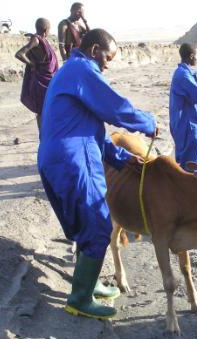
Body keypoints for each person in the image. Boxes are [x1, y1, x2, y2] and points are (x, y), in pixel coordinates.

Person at [38, 29, 157, 319]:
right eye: (107, 57)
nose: (107, 64)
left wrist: (120, 158)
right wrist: (147, 122)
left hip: (59, 156)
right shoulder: (82, 70)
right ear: (93, 50)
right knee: (98, 224)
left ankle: (88, 285)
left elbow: (93, 129)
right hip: (73, 160)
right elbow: (114, 107)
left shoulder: (71, 71)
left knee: (84, 222)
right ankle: (80, 298)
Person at [15, 18, 58, 130]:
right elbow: (19, 54)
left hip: (48, 80)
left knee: (48, 108)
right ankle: (42, 136)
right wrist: (31, 64)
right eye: (49, 29)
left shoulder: (44, 40)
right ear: (45, 29)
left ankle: (47, 134)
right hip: (40, 81)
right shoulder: (36, 40)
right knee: (41, 110)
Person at [169, 43, 197, 168]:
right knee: (193, 164)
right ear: (191, 56)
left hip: (188, 124)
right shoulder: (183, 75)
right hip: (189, 126)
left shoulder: (184, 73)